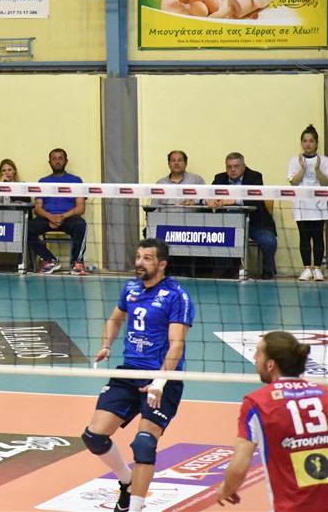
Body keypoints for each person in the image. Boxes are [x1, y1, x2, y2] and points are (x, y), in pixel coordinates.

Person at [82, 238, 194, 512]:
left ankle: (135, 507)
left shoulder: (176, 296)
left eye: (147, 258)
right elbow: (115, 318)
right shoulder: (130, 288)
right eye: (138, 256)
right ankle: (127, 480)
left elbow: (177, 345)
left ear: (162, 264)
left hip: (162, 378)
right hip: (129, 371)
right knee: (93, 437)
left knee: (144, 443)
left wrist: (159, 382)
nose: (139, 263)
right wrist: (106, 345)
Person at [216, 330, 328, 512]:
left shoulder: (257, 403)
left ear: (270, 365)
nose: (254, 357)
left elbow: (238, 468)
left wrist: (227, 488)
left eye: (258, 352)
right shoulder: (325, 395)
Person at [208, 152, 277, 280]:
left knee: (268, 241)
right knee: (216, 237)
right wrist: (208, 199)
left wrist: (234, 200)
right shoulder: (219, 178)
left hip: (255, 223)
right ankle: (227, 270)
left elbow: (256, 199)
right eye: (229, 167)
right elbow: (206, 194)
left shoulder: (255, 177)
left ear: (244, 167)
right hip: (228, 224)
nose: (232, 170)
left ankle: (268, 269)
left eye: (236, 166)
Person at [27, 148, 88, 275]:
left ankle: (76, 263)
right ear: (49, 162)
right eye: (54, 159)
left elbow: (80, 208)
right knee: (26, 229)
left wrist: (61, 217)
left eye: (60, 158)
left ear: (66, 161)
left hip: (68, 217)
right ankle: (50, 260)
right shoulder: (43, 182)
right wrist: (50, 217)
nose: (57, 161)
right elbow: (38, 208)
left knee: (81, 225)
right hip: (47, 218)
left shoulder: (76, 181)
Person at [151, 151, 207, 277]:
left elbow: (206, 199)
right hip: (166, 225)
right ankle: (166, 271)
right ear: (168, 164)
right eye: (173, 160)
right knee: (151, 233)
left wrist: (194, 201)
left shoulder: (196, 180)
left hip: (190, 225)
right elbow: (154, 208)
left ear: (185, 163)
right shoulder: (160, 183)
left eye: (180, 160)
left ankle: (185, 272)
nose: (176, 163)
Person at [287, 125, 328, 281]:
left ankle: (317, 269)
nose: (308, 144)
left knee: (318, 237)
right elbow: (293, 182)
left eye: (311, 141)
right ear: (301, 143)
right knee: (304, 238)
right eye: (305, 141)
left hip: (318, 206)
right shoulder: (295, 161)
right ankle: (306, 269)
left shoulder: (324, 161)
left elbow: (325, 183)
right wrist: (303, 168)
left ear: (316, 143)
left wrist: (316, 169)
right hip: (301, 206)